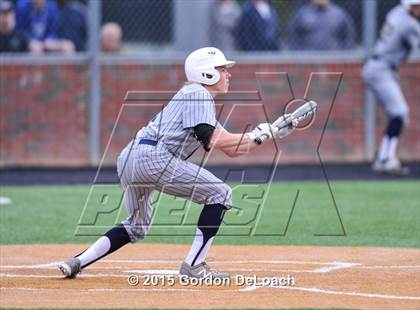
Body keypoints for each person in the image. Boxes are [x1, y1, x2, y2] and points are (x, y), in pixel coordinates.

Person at [58, 47, 298, 279]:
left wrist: (270, 133)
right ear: (207, 72)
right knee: (220, 194)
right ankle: (194, 266)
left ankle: (78, 261)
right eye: (222, 69)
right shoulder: (198, 93)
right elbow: (214, 139)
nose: (228, 74)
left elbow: (232, 149)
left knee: (137, 227)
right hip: (154, 158)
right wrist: (255, 134)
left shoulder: (194, 98)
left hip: (130, 158)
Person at [362, 0, 420, 175]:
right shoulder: (409, 24)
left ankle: (384, 157)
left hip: (379, 66)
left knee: (397, 114)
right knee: (400, 113)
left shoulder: (396, 12)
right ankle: (387, 159)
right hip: (381, 69)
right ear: (410, 6)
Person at [287, 0, 355, 50]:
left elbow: (349, 34)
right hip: (308, 60)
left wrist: (344, 52)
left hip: (334, 60)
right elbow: (292, 35)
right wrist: (298, 53)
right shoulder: (302, 13)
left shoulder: (339, 13)